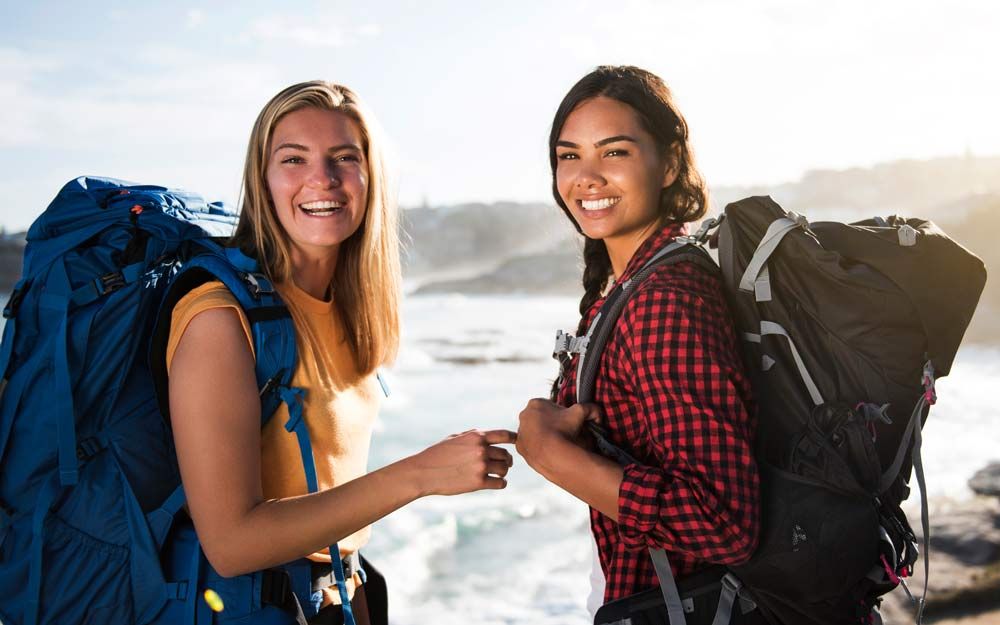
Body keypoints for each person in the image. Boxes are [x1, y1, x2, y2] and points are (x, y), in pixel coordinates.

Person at [166, 81, 516, 625]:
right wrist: (419, 475)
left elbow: (326, 492)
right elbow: (231, 543)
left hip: (339, 597)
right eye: (293, 159)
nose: (322, 179)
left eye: (344, 157)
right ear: (263, 180)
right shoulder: (218, 320)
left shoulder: (355, 309)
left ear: (370, 174)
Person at [515, 66, 762, 623]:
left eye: (615, 153)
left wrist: (553, 456)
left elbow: (723, 524)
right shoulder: (630, 281)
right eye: (569, 155)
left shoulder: (665, 297)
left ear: (670, 162)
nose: (587, 177)